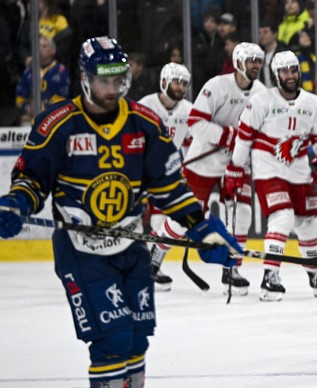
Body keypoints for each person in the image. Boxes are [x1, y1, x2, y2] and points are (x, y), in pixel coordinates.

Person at [0, 36, 241, 387]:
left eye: (119, 80)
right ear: (85, 79)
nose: (112, 88)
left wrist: (201, 228)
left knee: (135, 342)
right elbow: (32, 180)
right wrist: (17, 202)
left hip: (131, 248)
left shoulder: (144, 124)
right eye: (103, 80)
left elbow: (170, 187)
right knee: (111, 343)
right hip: (81, 251)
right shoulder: (58, 124)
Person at [148, 42, 266, 296]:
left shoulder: (261, 92)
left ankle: (232, 268)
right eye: (251, 60)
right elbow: (195, 123)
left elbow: (263, 130)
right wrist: (228, 135)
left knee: (242, 212)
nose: (256, 65)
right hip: (204, 161)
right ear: (238, 63)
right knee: (185, 217)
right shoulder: (217, 86)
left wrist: (247, 141)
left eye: (259, 60)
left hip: (236, 164)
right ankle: (156, 255)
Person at [225, 50, 317, 302]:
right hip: (268, 170)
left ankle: (315, 274)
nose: (290, 75)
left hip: (299, 171)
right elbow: (245, 137)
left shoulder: (313, 103)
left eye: (293, 70)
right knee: (282, 217)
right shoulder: (261, 101)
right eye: (285, 71)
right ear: (276, 74)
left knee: (308, 224)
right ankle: (270, 275)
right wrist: (235, 167)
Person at [139, 62, 195, 291]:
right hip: (143, 172)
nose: (180, 87)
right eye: (176, 81)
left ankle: (151, 266)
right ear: (163, 81)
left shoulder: (189, 110)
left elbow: (193, 143)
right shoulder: (145, 106)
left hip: (170, 174)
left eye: (183, 83)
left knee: (165, 222)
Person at [15, 35, 70, 120]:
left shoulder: (61, 70)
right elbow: (20, 96)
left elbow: (62, 98)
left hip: (54, 116)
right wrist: (27, 107)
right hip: (30, 116)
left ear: (53, 50)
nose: (40, 49)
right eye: (38, 46)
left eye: (44, 46)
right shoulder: (28, 71)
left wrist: (43, 108)